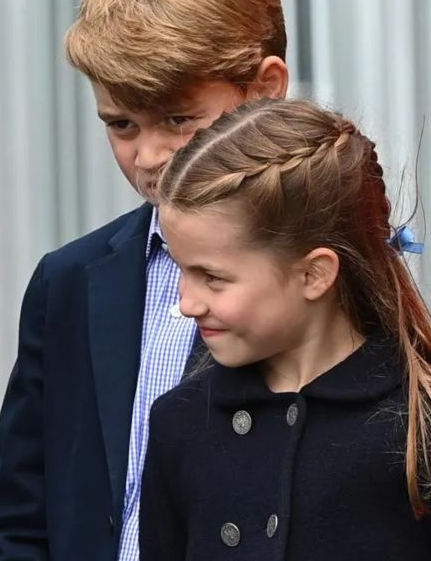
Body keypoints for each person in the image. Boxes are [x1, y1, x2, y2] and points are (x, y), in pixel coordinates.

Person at [0, 0, 288, 558]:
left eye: (178, 118)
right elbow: (14, 513)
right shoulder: (69, 283)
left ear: (265, 89)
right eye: (121, 124)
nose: (148, 156)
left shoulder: (322, 280)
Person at [141, 98, 431, 559]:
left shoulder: (417, 421)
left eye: (212, 277)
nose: (186, 304)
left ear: (314, 275)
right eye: (180, 269)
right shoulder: (180, 422)